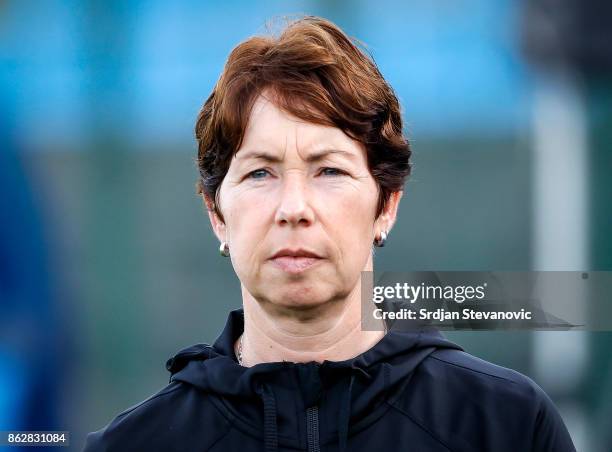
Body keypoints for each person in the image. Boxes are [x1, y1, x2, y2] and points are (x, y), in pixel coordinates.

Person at [83, 16, 576, 452]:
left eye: (329, 171)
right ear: (217, 213)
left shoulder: (507, 425)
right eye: (260, 173)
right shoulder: (135, 443)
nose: (294, 209)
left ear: (386, 205)